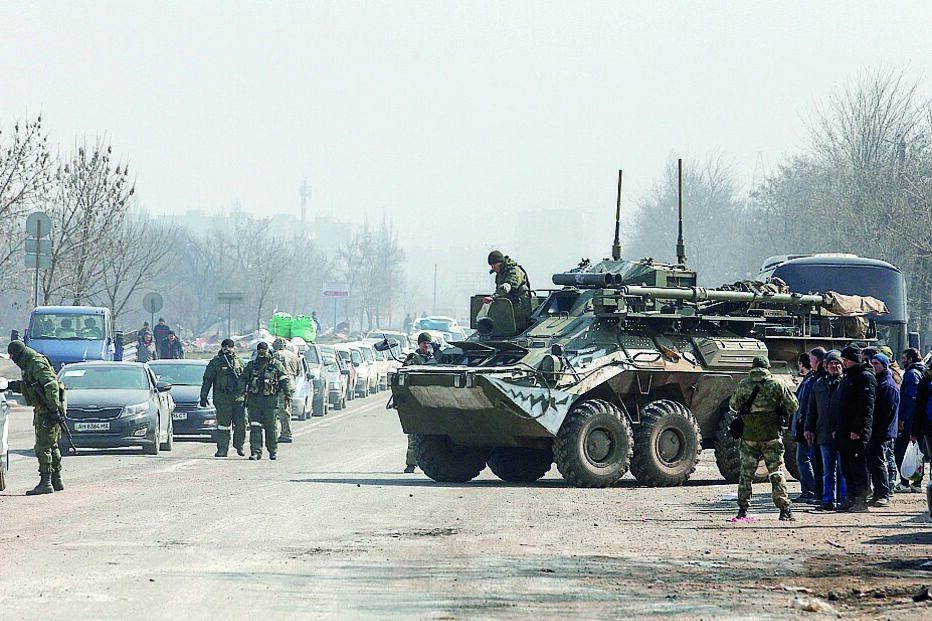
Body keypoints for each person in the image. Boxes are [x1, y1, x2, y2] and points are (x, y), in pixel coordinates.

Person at [729, 355, 799, 521]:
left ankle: (742, 509)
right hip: (772, 435)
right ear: (768, 368)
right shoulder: (777, 384)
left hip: (749, 435)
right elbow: (793, 406)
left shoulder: (743, 385)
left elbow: (734, 405)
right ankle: (784, 510)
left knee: (746, 473)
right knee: (776, 472)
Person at [6, 340, 67, 495]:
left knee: (42, 446)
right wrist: (12, 385)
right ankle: (56, 479)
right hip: (47, 408)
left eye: (13, 356)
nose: (12, 359)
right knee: (51, 444)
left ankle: (46, 482)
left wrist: (53, 410)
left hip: (47, 409)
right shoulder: (30, 364)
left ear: (19, 354)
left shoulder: (36, 363)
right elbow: (32, 386)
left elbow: (51, 385)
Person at [805, 350, 848, 511]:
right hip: (823, 434)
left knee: (843, 471)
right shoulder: (819, 384)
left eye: (837, 363)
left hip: (842, 434)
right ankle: (828, 500)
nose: (834, 366)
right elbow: (812, 409)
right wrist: (808, 428)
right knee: (827, 470)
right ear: (826, 366)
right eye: (831, 364)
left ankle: (844, 500)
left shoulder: (846, 383)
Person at [835, 345, 876, 512]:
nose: (843, 364)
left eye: (846, 360)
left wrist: (857, 430)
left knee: (858, 466)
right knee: (846, 466)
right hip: (844, 430)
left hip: (856, 432)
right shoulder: (849, 377)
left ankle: (861, 500)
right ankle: (850, 498)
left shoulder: (865, 377)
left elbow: (866, 407)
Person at [242, 341, 292, 460]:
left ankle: (273, 450)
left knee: (271, 427)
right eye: (259, 350)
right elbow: (243, 379)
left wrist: (287, 393)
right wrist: (241, 390)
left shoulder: (276, 364)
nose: (261, 353)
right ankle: (255, 451)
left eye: (263, 350)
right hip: (254, 401)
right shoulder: (252, 365)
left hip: (270, 401)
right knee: (255, 426)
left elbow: (284, 379)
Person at [402, 333, 441, 473]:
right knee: (414, 435)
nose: (426, 345)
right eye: (423, 343)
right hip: (416, 402)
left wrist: (438, 353)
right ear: (419, 344)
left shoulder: (434, 358)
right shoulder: (413, 359)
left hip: (434, 401)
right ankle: (411, 463)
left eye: (428, 343)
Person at [201, 339, 247, 457]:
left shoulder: (239, 361)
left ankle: (239, 445)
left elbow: (246, 378)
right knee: (223, 426)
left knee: (241, 425)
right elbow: (207, 380)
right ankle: (222, 448)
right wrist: (203, 396)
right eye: (225, 347)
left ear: (233, 348)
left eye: (229, 347)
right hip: (223, 400)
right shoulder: (216, 363)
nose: (227, 349)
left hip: (239, 399)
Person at [868, 353, 899, 507]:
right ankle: (877, 493)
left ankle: (883, 493)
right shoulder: (878, 381)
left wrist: (873, 427)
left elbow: (884, 412)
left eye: (876, 364)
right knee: (874, 462)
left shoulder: (887, 385)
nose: (874, 366)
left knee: (879, 462)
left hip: (882, 431)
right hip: (876, 430)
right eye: (872, 363)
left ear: (884, 365)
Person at [896, 348, 925, 492]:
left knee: (902, 450)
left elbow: (910, 399)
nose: (902, 360)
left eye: (904, 358)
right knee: (917, 451)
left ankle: (905, 482)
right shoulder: (922, 372)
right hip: (918, 420)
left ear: (911, 359)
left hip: (911, 420)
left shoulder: (912, 374)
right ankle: (916, 482)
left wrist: (903, 418)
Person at [791, 352, 818, 504]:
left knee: (803, 459)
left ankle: (809, 491)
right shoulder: (810, 380)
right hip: (805, 425)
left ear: (802, 364)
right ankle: (809, 490)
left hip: (805, 426)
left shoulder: (809, 381)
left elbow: (806, 406)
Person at [486, 250, 532, 330]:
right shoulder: (500, 273)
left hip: (520, 307)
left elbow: (508, 285)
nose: (493, 268)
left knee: (519, 329)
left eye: (494, 265)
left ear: (500, 263)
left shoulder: (514, 271)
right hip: (508, 307)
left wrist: (494, 297)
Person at [272, 337, 301, 444]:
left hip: (281, 385)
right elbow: (298, 371)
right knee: (286, 408)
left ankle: (286, 433)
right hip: (291, 384)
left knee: (282, 410)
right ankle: (285, 432)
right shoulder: (294, 356)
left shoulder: (276, 355)